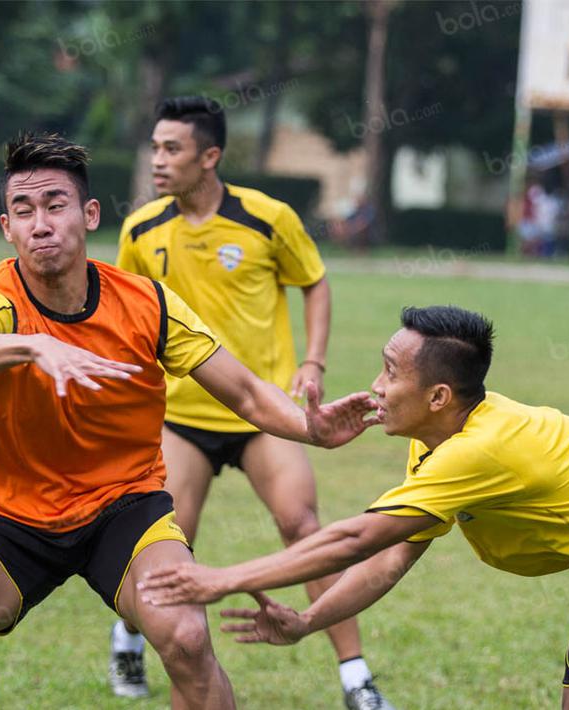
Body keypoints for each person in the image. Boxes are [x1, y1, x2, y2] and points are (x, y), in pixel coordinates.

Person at [0, 132, 378, 710]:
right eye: (23, 212)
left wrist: (313, 429)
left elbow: (248, 393)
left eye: (55, 205)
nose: (40, 224)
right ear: (7, 228)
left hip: (122, 506)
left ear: (89, 214)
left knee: (186, 637)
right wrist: (32, 349)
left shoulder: (146, 303)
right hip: (10, 513)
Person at [140, 305, 569, 710]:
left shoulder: (481, 450)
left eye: (390, 373)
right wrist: (310, 622)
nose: (376, 386)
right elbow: (387, 562)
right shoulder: (432, 442)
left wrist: (222, 579)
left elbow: (354, 539)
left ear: (440, 394)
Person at [113, 96, 393, 710]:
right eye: (154, 147)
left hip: (264, 412)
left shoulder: (267, 218)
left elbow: (314, 282)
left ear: (210, 156)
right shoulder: (139, 231)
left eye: (172, 149)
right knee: (166, 543)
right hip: (182, 418)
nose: (158, 160)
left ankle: (356, 679)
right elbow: (129, 322)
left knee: (303, 526)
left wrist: (312, 360)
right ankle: (128, 636)